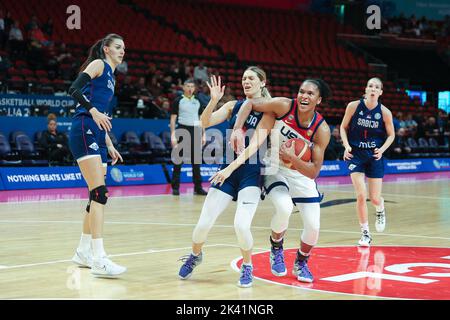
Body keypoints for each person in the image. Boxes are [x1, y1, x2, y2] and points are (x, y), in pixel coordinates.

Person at [222, 79, 331, 283]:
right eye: (301, 91)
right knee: (284, 207)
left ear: (319, 100)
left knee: (314, 226)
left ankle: (301, 262)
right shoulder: (283, 105)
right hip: (274, 167)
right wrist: (237, 127)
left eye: (310, 94)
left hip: (301, 174)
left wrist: (294, 158)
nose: (304, 96)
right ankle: (276, 246)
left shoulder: (321, 129)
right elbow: (249, 103)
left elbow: (314, 171)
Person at [178, 68, 274, 287]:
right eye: (243, 78)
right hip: (227, 172)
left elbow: (253, 147)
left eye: (251, 78)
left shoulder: (268, 111)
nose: (246, 81)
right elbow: (204, 122)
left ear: (262, 82)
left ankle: (248, 266)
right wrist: (213, 101)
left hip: (249, 174)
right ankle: (195, 255)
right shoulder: (233, 106)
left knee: (241, 225)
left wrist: (229, 169)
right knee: (203, 224)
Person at [67, 33, 126, 277]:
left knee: (95, 197)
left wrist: (109, 142)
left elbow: (102, 114)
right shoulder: (99, 64)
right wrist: (92, 111)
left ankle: (83, 251)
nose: (122, 51)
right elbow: (73, 89)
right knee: (100, 194)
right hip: (83, 128)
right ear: (106, 48)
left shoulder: (112, 76)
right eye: (118, 47)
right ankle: (99, 258)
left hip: (97, 134)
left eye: (124, 48)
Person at [340, 77, 395, 247]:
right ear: (366, 89)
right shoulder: (353, 106)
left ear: (380, 92)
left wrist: (382, 149)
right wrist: (346, 145)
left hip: (374, 156)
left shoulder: (385, 112)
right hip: (355, 154)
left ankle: (380, 209)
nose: (373, 89)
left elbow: (391, 135)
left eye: (376, 87)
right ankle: (365, 233)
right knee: (361, 195)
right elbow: (343, 127)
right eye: (370, 85)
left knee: (374, 198)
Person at [170, 79, 208, 196]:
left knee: (196, 161)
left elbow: (201, 119)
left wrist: (203, 134)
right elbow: (172, 119)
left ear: (195, 88)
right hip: (182, 129)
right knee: (178, 160)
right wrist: (173, 135)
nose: (190, 88)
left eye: (192, 86)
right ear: (184, 87)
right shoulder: (178, 100)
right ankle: (175, 188)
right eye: (188, 86)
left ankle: (198, 187)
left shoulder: (198, 101)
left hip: (196, 129)